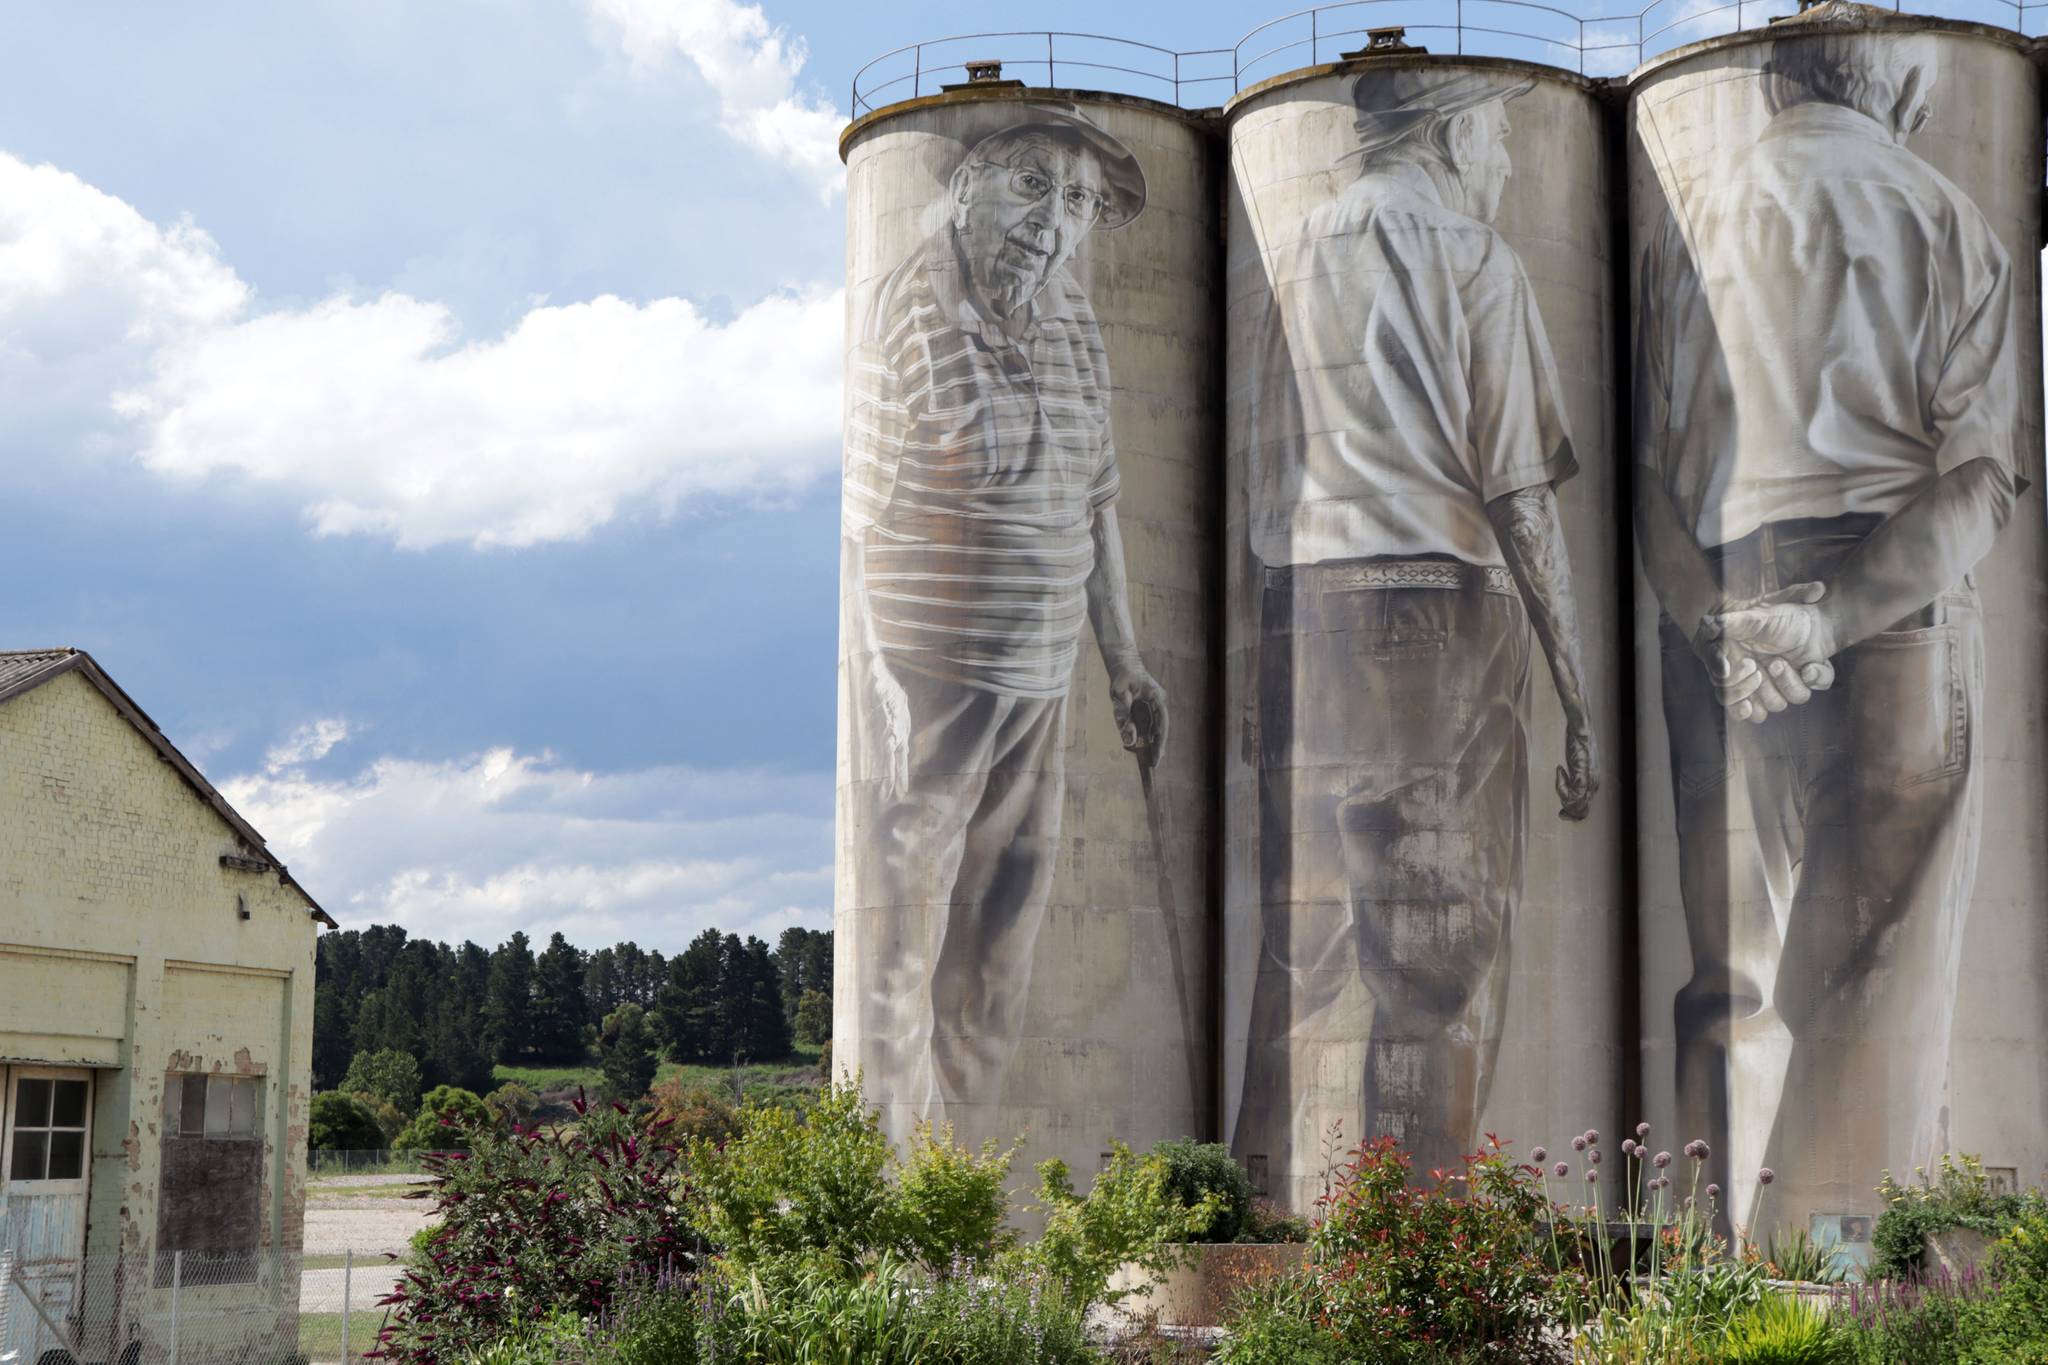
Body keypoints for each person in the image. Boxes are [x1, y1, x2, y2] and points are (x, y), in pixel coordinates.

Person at [1635, 31, 2023, 1230]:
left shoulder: (1685, 224)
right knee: (1875, 968)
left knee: (1727, 974)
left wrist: (1714, 626)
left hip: (1716, 605)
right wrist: (1826, 624)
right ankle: (1827, 1280)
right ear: (1899, 86)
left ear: (1771, 83)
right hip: (1884, 612)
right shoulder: (1947, 217)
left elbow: (1647, 477)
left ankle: (1709, 1270)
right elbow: (1976, 485)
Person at [1233, 69, 1597, 1195]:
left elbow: (1258, 490)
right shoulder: (1472, 253)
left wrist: (1254, 672)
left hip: (1303, 615)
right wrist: (1576, 691)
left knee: (1299, 949)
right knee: (1434, 951)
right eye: (1492, 135)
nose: (1500, 161)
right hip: (1436, 617)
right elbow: (1520, 490)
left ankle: (1249, 1215)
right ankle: (1412, 1233)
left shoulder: (1290, 254)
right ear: (1448, 134)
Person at [841, 107, 1167, 1128]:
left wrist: (1123, 663)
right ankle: (889, 1181)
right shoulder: (907, 309)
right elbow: (857, 528)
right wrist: (881, 688)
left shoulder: (1069, 316)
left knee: (1003, 936)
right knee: (901, 938)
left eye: (1074, 204)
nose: (1053, 221)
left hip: (1042, 673)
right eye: (1034, 186)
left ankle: (966, 1180)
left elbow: (1096, 499)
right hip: (931, 675)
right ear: (969, 183)